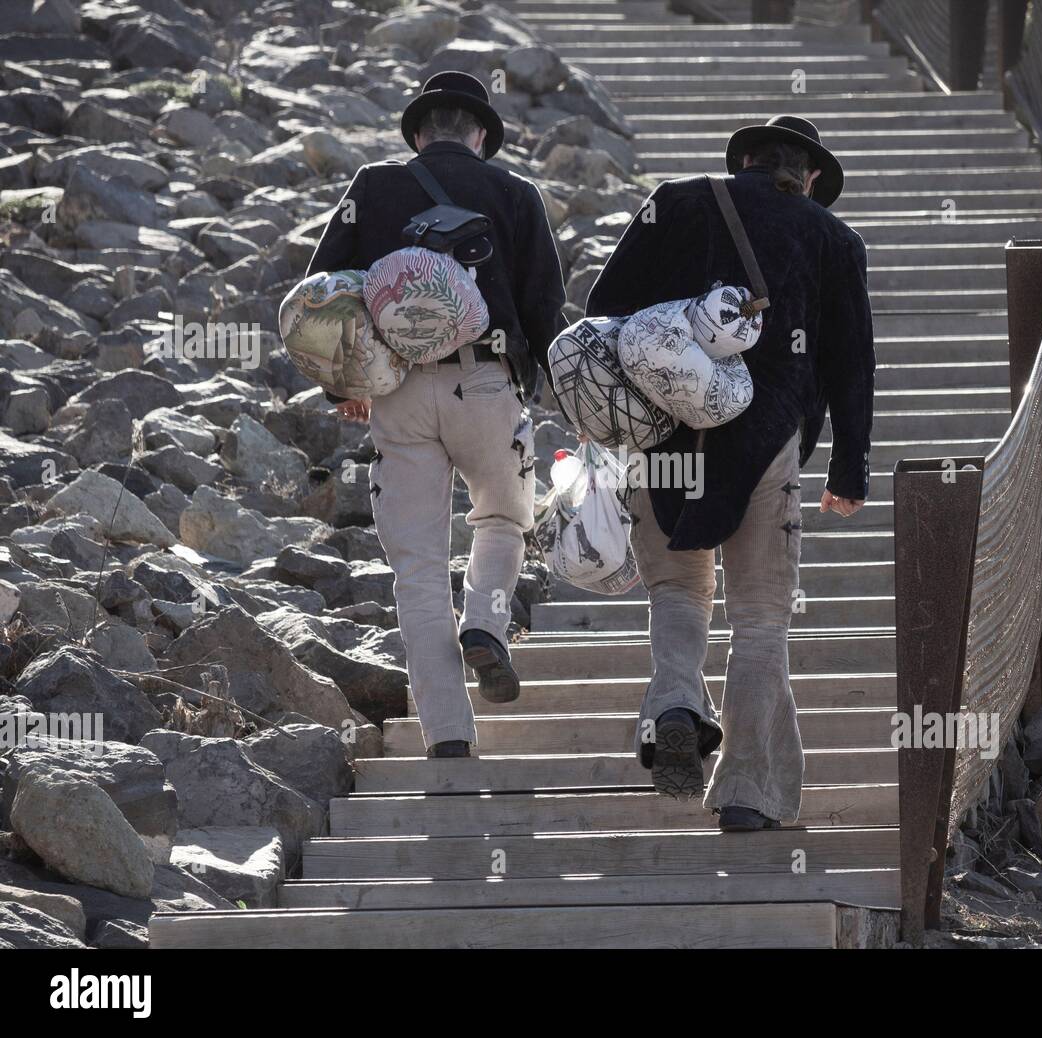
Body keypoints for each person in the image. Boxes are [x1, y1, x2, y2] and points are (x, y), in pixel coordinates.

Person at [585, 116, 875, 831]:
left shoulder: (676, 201)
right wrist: (850, 467)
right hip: (766, 443)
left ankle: (677, 703)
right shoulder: (833, 239)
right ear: (810, 177)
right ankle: (747, 794)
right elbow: (851, 365)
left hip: (665, 439)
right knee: (760, 620)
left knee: (678, 593)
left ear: (743, 159)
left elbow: (601, 312)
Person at [306, 71, 565, 758]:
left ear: (419, 132)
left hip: (398, 392)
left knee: (417, 566)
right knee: (505, 518)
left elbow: (321, 291)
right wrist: (538, 384)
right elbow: (545, 308)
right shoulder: (516, 194)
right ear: (479, 134)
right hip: (487, 382)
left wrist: (346, 386)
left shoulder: (372, 186)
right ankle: (485, 622)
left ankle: (448, 735)